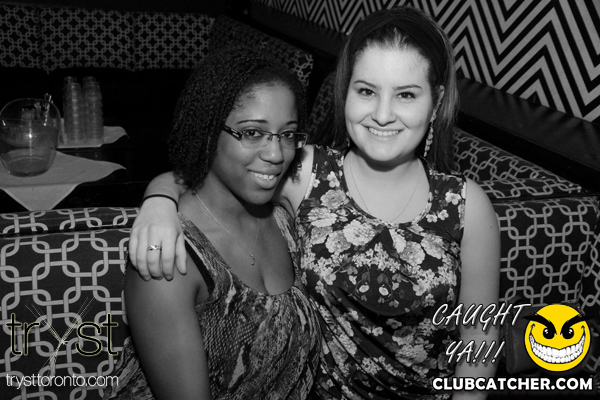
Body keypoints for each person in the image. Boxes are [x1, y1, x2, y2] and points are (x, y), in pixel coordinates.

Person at [127, 6, 501, 399]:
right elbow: (207, 175)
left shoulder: (467, 204)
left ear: (436, 102)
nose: (382, 114)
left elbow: (480, 334)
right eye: (367, 91)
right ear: (345, 92)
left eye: (406, 94)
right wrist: (158, 203)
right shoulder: (307, 172)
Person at [103, 46, 320, 400]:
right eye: (252, 132)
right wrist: (159, 200)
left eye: (287, 134)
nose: (276, 154)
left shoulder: (285, 216)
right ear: (207, 132)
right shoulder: (168, 254)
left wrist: (159, 192)